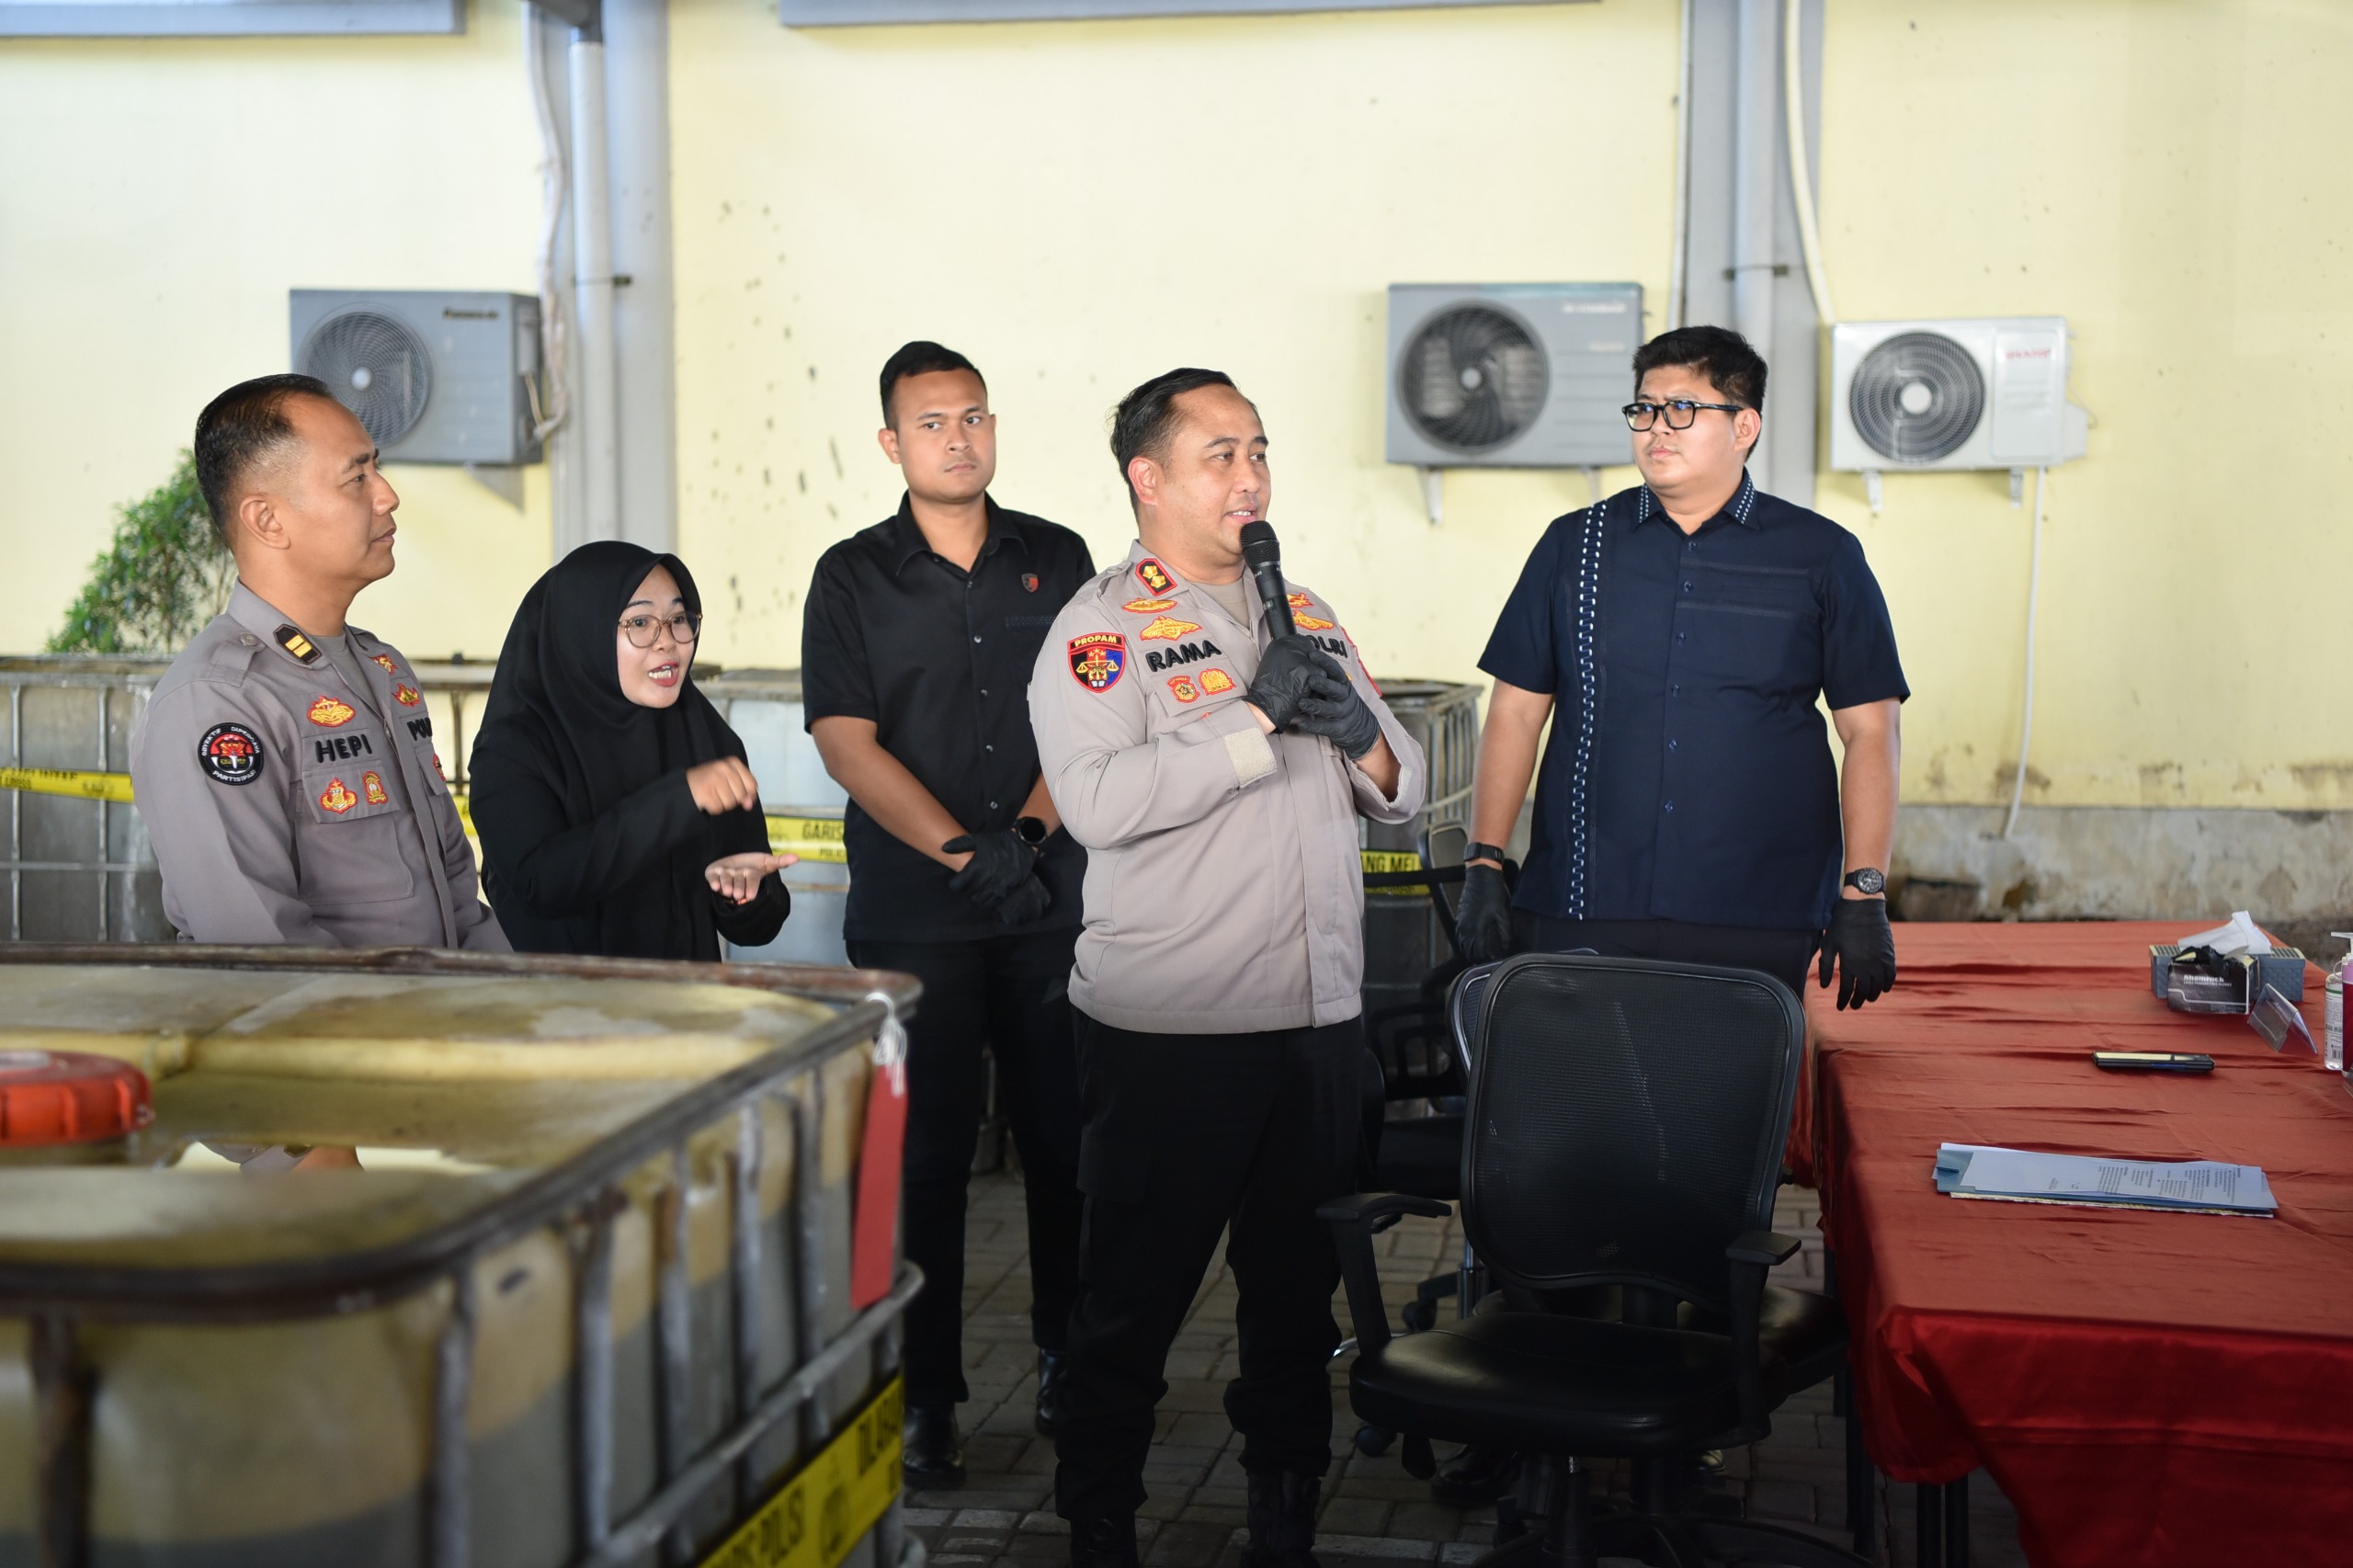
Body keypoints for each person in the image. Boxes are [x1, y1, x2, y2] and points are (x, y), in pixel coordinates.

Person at [1437, 324, 1906, 1505]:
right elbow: (1515, 711)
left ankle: (1685, 1419)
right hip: (1583, 900)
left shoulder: (1818, 555)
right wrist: (1487, 859)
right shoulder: (1578, 545)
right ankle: (1522, 1413)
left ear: (1744, 426)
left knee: (1699, 1172)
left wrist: (1862, 890)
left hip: (1747, 912)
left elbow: (1867, 731)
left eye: (1680, 409)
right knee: (1553, 1155)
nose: (1655, 430)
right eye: (1643, 409)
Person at [1029, 368, 1427, 1568]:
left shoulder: (1303, 609)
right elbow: (1098, 805)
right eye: (1221, 454)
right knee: (1131, 1302)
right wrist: (1250, 722)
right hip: (1171, 1033)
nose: (1250, 477)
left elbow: (1401, 789)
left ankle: (1283, 1514)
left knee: (1294, 1298)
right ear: (1148, 478)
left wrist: (1361, 736)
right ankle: (1100, 1520)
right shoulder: (1100, 629)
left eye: (1258, 450)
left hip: (1315, 1022)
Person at [801, 342, 1096, 1487]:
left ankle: (1071, 1356)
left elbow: (1090, 713)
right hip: (915, 913)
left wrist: (1025, 839)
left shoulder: (1057, 557)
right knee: (919, 1160)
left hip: (1047, 899)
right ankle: (922, 1395)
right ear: (892, 443)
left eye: (972, 416)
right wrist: (966, 852)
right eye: (931, 422)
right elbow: (845, 739)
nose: (957, 437)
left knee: (1066, 1142)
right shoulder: (850, 576)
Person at [131, 373, 507, 957]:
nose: (387, 495)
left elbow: (456, 893)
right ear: (267, 520)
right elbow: (260, 946)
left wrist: (508, 992)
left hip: (444, 1005)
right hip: (327, 1014)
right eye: (356, 478)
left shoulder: (382, 668)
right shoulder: (218, 700)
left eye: (376, 469)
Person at [469, 541, 793, 960]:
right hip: (562, 997)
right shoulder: (513, 749)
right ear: (582, 631)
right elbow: (540, 885)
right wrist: (679, 798)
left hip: (682, 997)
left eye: (678, 619)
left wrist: (743, 895)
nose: (668, 642)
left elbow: (759, 925)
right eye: (640, 622)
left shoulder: (705, 736)